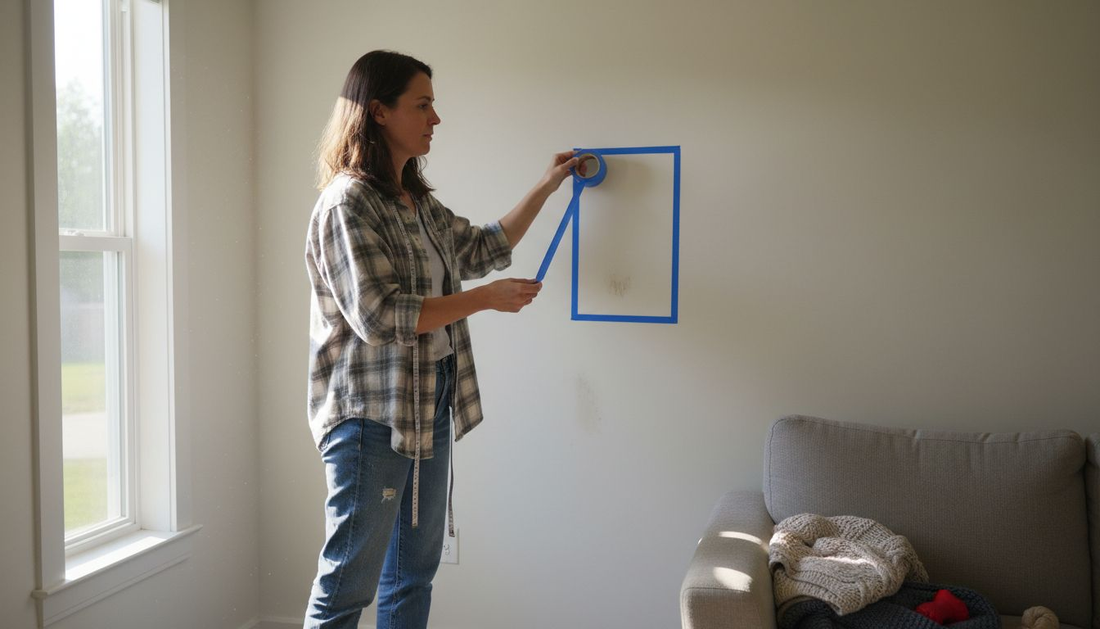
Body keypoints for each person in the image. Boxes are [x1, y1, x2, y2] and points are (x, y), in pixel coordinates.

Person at [303, 50, 579, 629]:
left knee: (412, 576)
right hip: (371, 419)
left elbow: (482, 247)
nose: (436, 118)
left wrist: (548, 185)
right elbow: (379, 315)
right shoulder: (348, 204)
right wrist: (484, 299)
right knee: (348, 586)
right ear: (378, 111)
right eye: (423, 104)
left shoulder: (417, 204)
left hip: (428, 400)